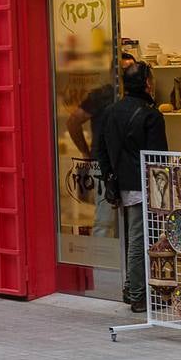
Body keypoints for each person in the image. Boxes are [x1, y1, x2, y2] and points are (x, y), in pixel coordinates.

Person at [97, 61, 168, 313]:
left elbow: (101, 150)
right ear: (147, 83)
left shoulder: (111, 112)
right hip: (145, 185)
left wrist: (109, 180)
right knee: (141, 239)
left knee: (134, 237)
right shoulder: (151, 115)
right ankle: (138, 293)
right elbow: (159, 160)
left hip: (121, 182)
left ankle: (132, 286)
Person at [67, 52, 135, 237]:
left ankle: (126, 263)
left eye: (132, 69)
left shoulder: (135, 98)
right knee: (105, 220)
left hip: (129, 164)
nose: (128, 73)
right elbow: (73, 121)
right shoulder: (102, 95)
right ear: (112, 72)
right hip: (103, 164)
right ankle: (101, 263)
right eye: (123, 69)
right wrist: (85, 152)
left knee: (131, 221)